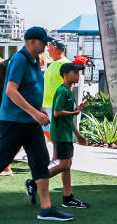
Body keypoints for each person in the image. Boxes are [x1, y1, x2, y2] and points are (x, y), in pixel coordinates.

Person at [0, 27, 74, 221]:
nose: (46, 45)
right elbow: (11, 90)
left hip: (30, 122)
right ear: (31, 42)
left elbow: (31, 89)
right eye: (43, 41)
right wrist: (34, 112)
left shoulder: (34, 61)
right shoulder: (20, 60)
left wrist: (39, 109)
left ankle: (46, 208)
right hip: (14, 121)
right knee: (2, 160)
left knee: (40, 160)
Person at [39, 62, 91, 208]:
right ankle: (35, 181)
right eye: (75, 73)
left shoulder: (69, 92)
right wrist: (75, 112)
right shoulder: (62, 91)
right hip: (61, 134)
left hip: (66, 134)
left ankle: (68, 197)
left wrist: (78, 135)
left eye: (78, 73)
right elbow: (57, 112)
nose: (77, 76)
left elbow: (69, 117)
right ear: (65, 75)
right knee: (64, 164)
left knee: (67, 166)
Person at [42, 40, 67, 143]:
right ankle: (57, 150)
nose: (48, 50)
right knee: (46, 129)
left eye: (50, 48)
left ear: (55, 48)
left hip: (56, 105)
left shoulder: (64, 64)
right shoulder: (54, 63)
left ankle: (59, 151)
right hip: (48, 104)